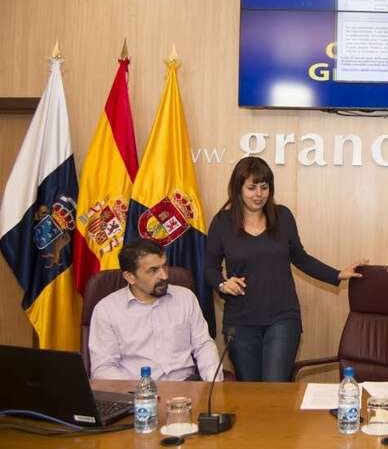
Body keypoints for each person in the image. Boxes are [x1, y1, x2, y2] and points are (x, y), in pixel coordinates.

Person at [205, 157, 366, 382]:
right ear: (238, 188)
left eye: (264, 187)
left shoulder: (282, 217)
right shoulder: (222, 222)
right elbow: (209, 268)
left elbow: (301, 258)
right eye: (251, 187)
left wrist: (337, 274)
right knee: (249, 391)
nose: (259, 194)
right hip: (240, 321)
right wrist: (223, 284)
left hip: (282, 318)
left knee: (275, 387)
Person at [89, 239, 223, 381]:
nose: (164, 276)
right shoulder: (107, 310)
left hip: (185, 387)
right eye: (153, 270)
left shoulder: (185, 297)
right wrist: (142, 390)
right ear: (130, 277)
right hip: (137, 390)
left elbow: (203, 345)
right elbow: (103, 369)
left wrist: (213, 384)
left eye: (164, 266)